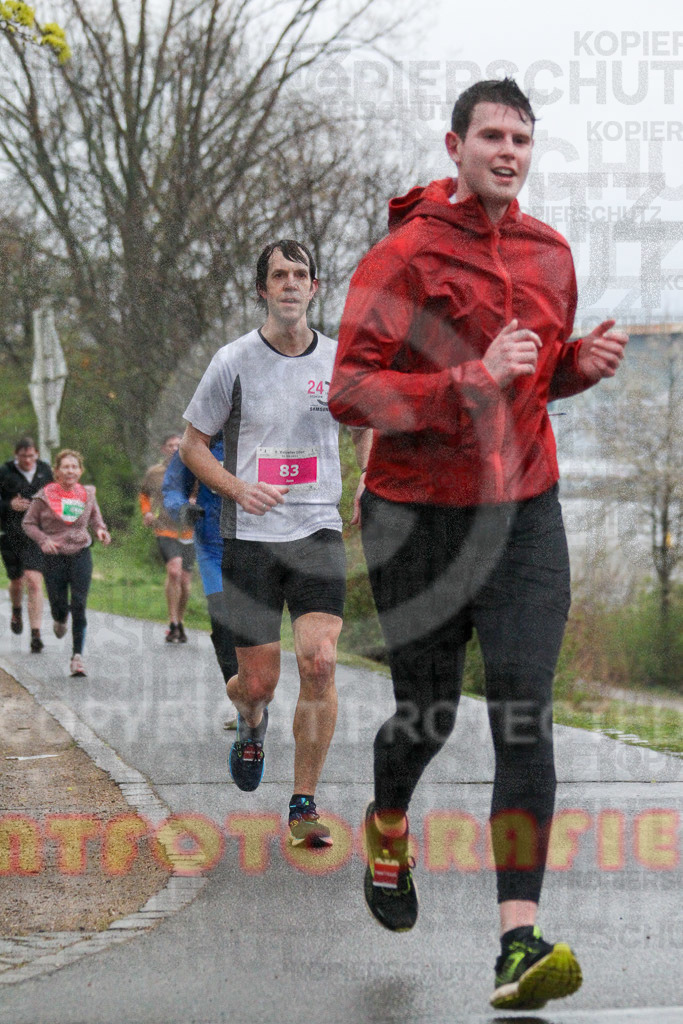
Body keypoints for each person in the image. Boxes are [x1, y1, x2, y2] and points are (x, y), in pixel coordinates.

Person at [329, 78, 628, 1011]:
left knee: (523, 713)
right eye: (491, 135)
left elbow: (530, 387)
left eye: (522, 139)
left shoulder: (550, 254)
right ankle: (386, 826)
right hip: (415, 516)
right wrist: (465, 377)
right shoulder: (402, 256)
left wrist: (571, 367)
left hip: (522, 509)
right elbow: (349, 393)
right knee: (426, 716)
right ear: (453, 144)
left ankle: (516, 941)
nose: (508, 151)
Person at [180, 239, 371, 848]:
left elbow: (367, 428)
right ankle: (250, 720)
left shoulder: (339, 362)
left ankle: (304, 803)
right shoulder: (233, 361)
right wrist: (237, 488)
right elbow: (192, 445)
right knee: (257, 682)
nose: (290, 284)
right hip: (251, 536)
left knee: (319, 660)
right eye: (278, 275)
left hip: (317, 527)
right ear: (261, 289)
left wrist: (368, 476)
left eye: (300, 275)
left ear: (315, 288)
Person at [162, 436, 239, 729]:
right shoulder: (199, 441)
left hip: (259, 543)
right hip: (213, 545)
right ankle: (241, 703)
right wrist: (182, 507)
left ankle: (257, 692)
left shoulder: (263, 429)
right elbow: (172, 487)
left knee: (253, 624)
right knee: (223, 625)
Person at [22, 449, 111, 677]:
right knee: (60, 605)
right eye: (66, 467)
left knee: (79, 604)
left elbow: (95, 518)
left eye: (74, 466)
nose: (70, 470)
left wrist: (101, 530)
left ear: (80, 471)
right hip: (54, 556)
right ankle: (59, 618)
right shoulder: (44, 496)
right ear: (57, 471)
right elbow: (28, 523)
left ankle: (77, 657)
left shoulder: (87, 494)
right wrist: (43, 539)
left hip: (81, 552)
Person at [139, 434, 195, 643]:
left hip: (188, 531)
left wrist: (195, 499)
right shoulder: (155, 473)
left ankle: (180, 621)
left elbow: (206, 494)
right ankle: (172, 623)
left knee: (186, 582)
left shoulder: (193, 469)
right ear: (164, 449)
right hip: (164, 529)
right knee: (174, 571)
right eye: (170, 445)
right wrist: (146, 512)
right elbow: (144, 494)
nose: (174, 448)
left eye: (178, 445)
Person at [0, 437, 53, 652]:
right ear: (16, 456)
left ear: (37, 454)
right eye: (24, 456)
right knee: (17, 581)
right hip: (10, 533)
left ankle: (36, 634)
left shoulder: (45, 471)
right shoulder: (5, 472)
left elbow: (55, 496)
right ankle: (16, 608)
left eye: (32, 456)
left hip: (36, 534)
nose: (28, 460)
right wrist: (9, 504)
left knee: (33, 581)